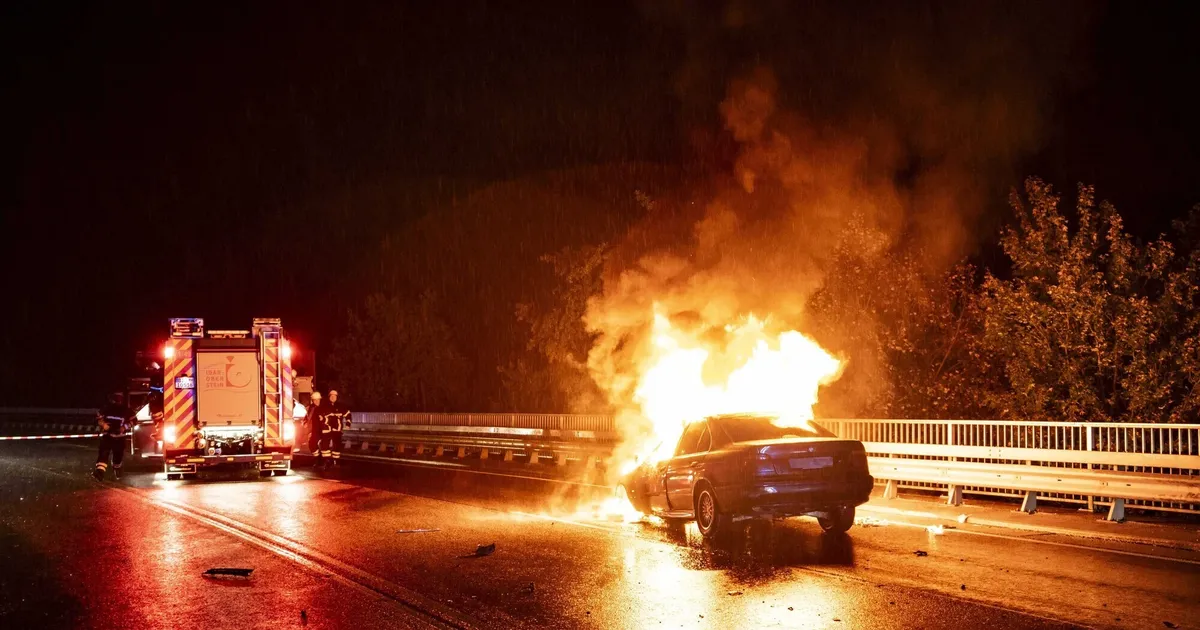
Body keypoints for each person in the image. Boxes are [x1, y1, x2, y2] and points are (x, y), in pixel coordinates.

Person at [94, 393, 134, 481]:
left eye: (119, 398)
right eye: (116, 398)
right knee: (103, 454)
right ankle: (99, 473)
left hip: (120, 437)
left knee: (118, 456)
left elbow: (134, 421)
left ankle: (117, 468)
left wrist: (124, 427)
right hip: (107, 436)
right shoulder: (107, 408)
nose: (117, 400)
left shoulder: (126, 410)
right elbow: (98, 417)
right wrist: (103, 424)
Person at [325, 390, 351, 466]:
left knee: (337, 446)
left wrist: (348, 424)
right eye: (331, 396)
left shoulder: (341, 406)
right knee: (325, 446)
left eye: (334, 396)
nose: (333, 397)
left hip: (337, 430)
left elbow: (348, 415)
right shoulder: (325, 406)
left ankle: (335, 461)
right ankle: (326, 461)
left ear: (337, 397)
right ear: (329, 397)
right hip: (327, 430)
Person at [306, 392, 324, 465]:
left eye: (318, 400)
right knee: (312, 444)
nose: (317, 401)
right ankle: (317, 459)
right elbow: (308, 418)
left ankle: (323, 460)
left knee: (323, 446)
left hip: (323, 430)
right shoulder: (311, 408)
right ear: (312, 400)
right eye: (315, 400)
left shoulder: (323, 408)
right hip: (314, 430)